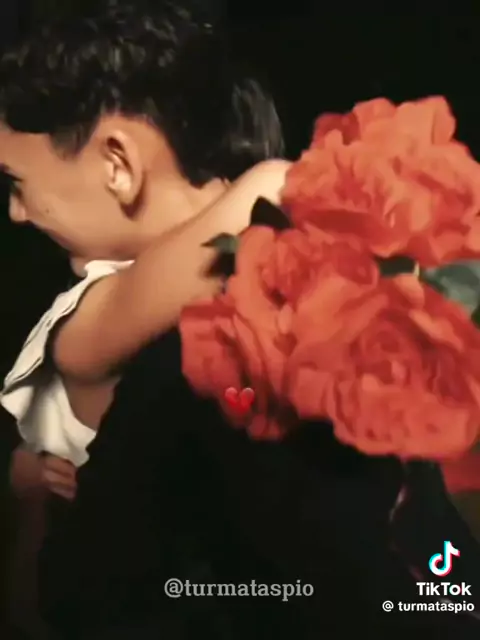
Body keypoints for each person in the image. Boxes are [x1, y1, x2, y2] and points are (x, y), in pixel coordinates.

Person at [0, 2, 479, 638]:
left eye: (17, 182)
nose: (17, 213)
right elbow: (269, 190)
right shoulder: (88, 317)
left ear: (119, 164)